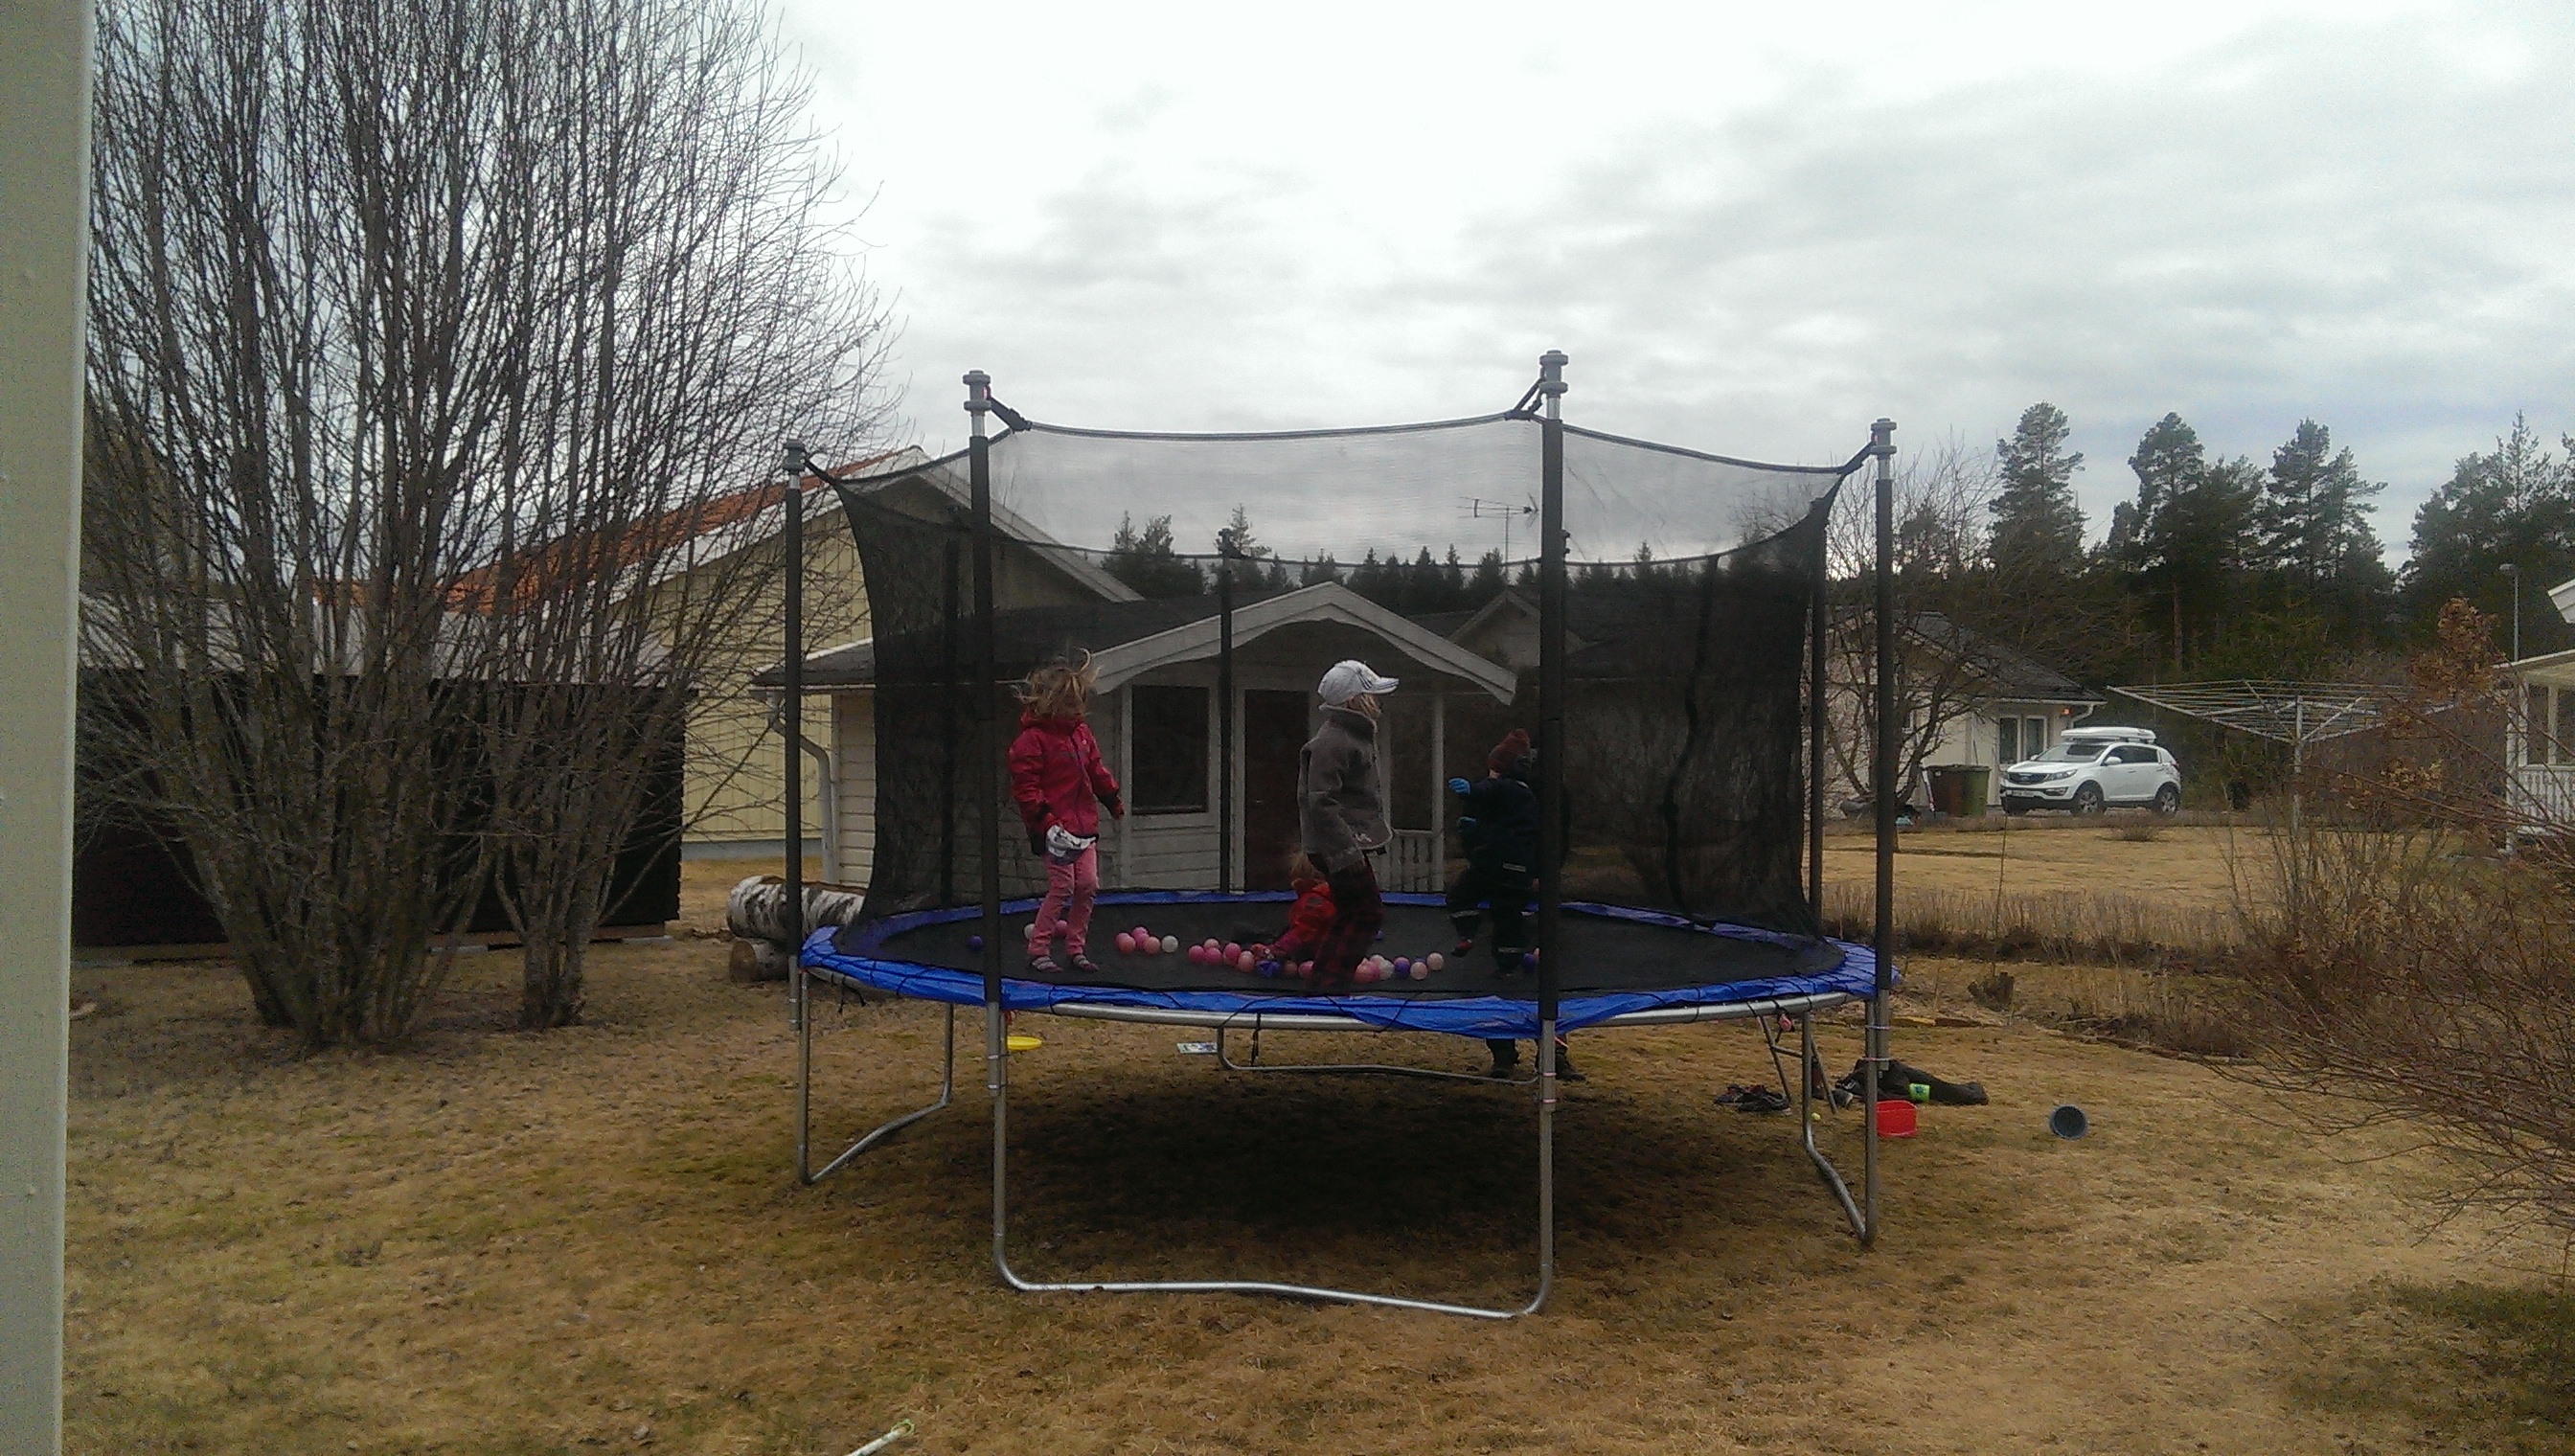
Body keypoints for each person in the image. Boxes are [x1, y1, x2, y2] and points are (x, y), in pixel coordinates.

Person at [1446, 729, 1581, 1081]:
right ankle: (1503, 1052)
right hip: (1497, 879)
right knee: (1497, 969)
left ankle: (1554, 1053)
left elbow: (1557, 836)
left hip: (1533, 883)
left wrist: (1542, 874)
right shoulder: (1492, 786)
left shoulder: (1546, 792)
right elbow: (1474, 828)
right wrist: (1479, 858)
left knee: (1546, 974)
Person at [1007, 655, 1122, 976]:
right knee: (1063, 886)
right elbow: (1026, 788)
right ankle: (1038, 949)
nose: (1078, 710)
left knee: (1088, 884)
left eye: (1079, 703)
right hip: (1053, 829)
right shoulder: (1032, 741)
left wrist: (1111, 798)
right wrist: (1045, 822)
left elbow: (1095, 769)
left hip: (1084, 825)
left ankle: (1075, 948)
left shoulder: (1081, 734)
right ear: (1052, 703)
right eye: (1070, 704)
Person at [1298, 659, 1397, 988]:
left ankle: (1323, 982)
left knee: (1350, 912)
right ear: (1354, 701)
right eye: (1371, 695)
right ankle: (1331, 985)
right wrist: (1347, 852)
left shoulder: (1352, 736)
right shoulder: (1335, 740)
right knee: (1368, 913)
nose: (1377, 701)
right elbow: (1320, 801)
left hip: (1341, 844)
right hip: (1337, 847)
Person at [1265, 853, 1336, 967]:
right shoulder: (1331, 895)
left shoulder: (1312, 902)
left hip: (1319, 956)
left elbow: (1301, 933)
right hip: (1337, 952)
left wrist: (1274, 951)